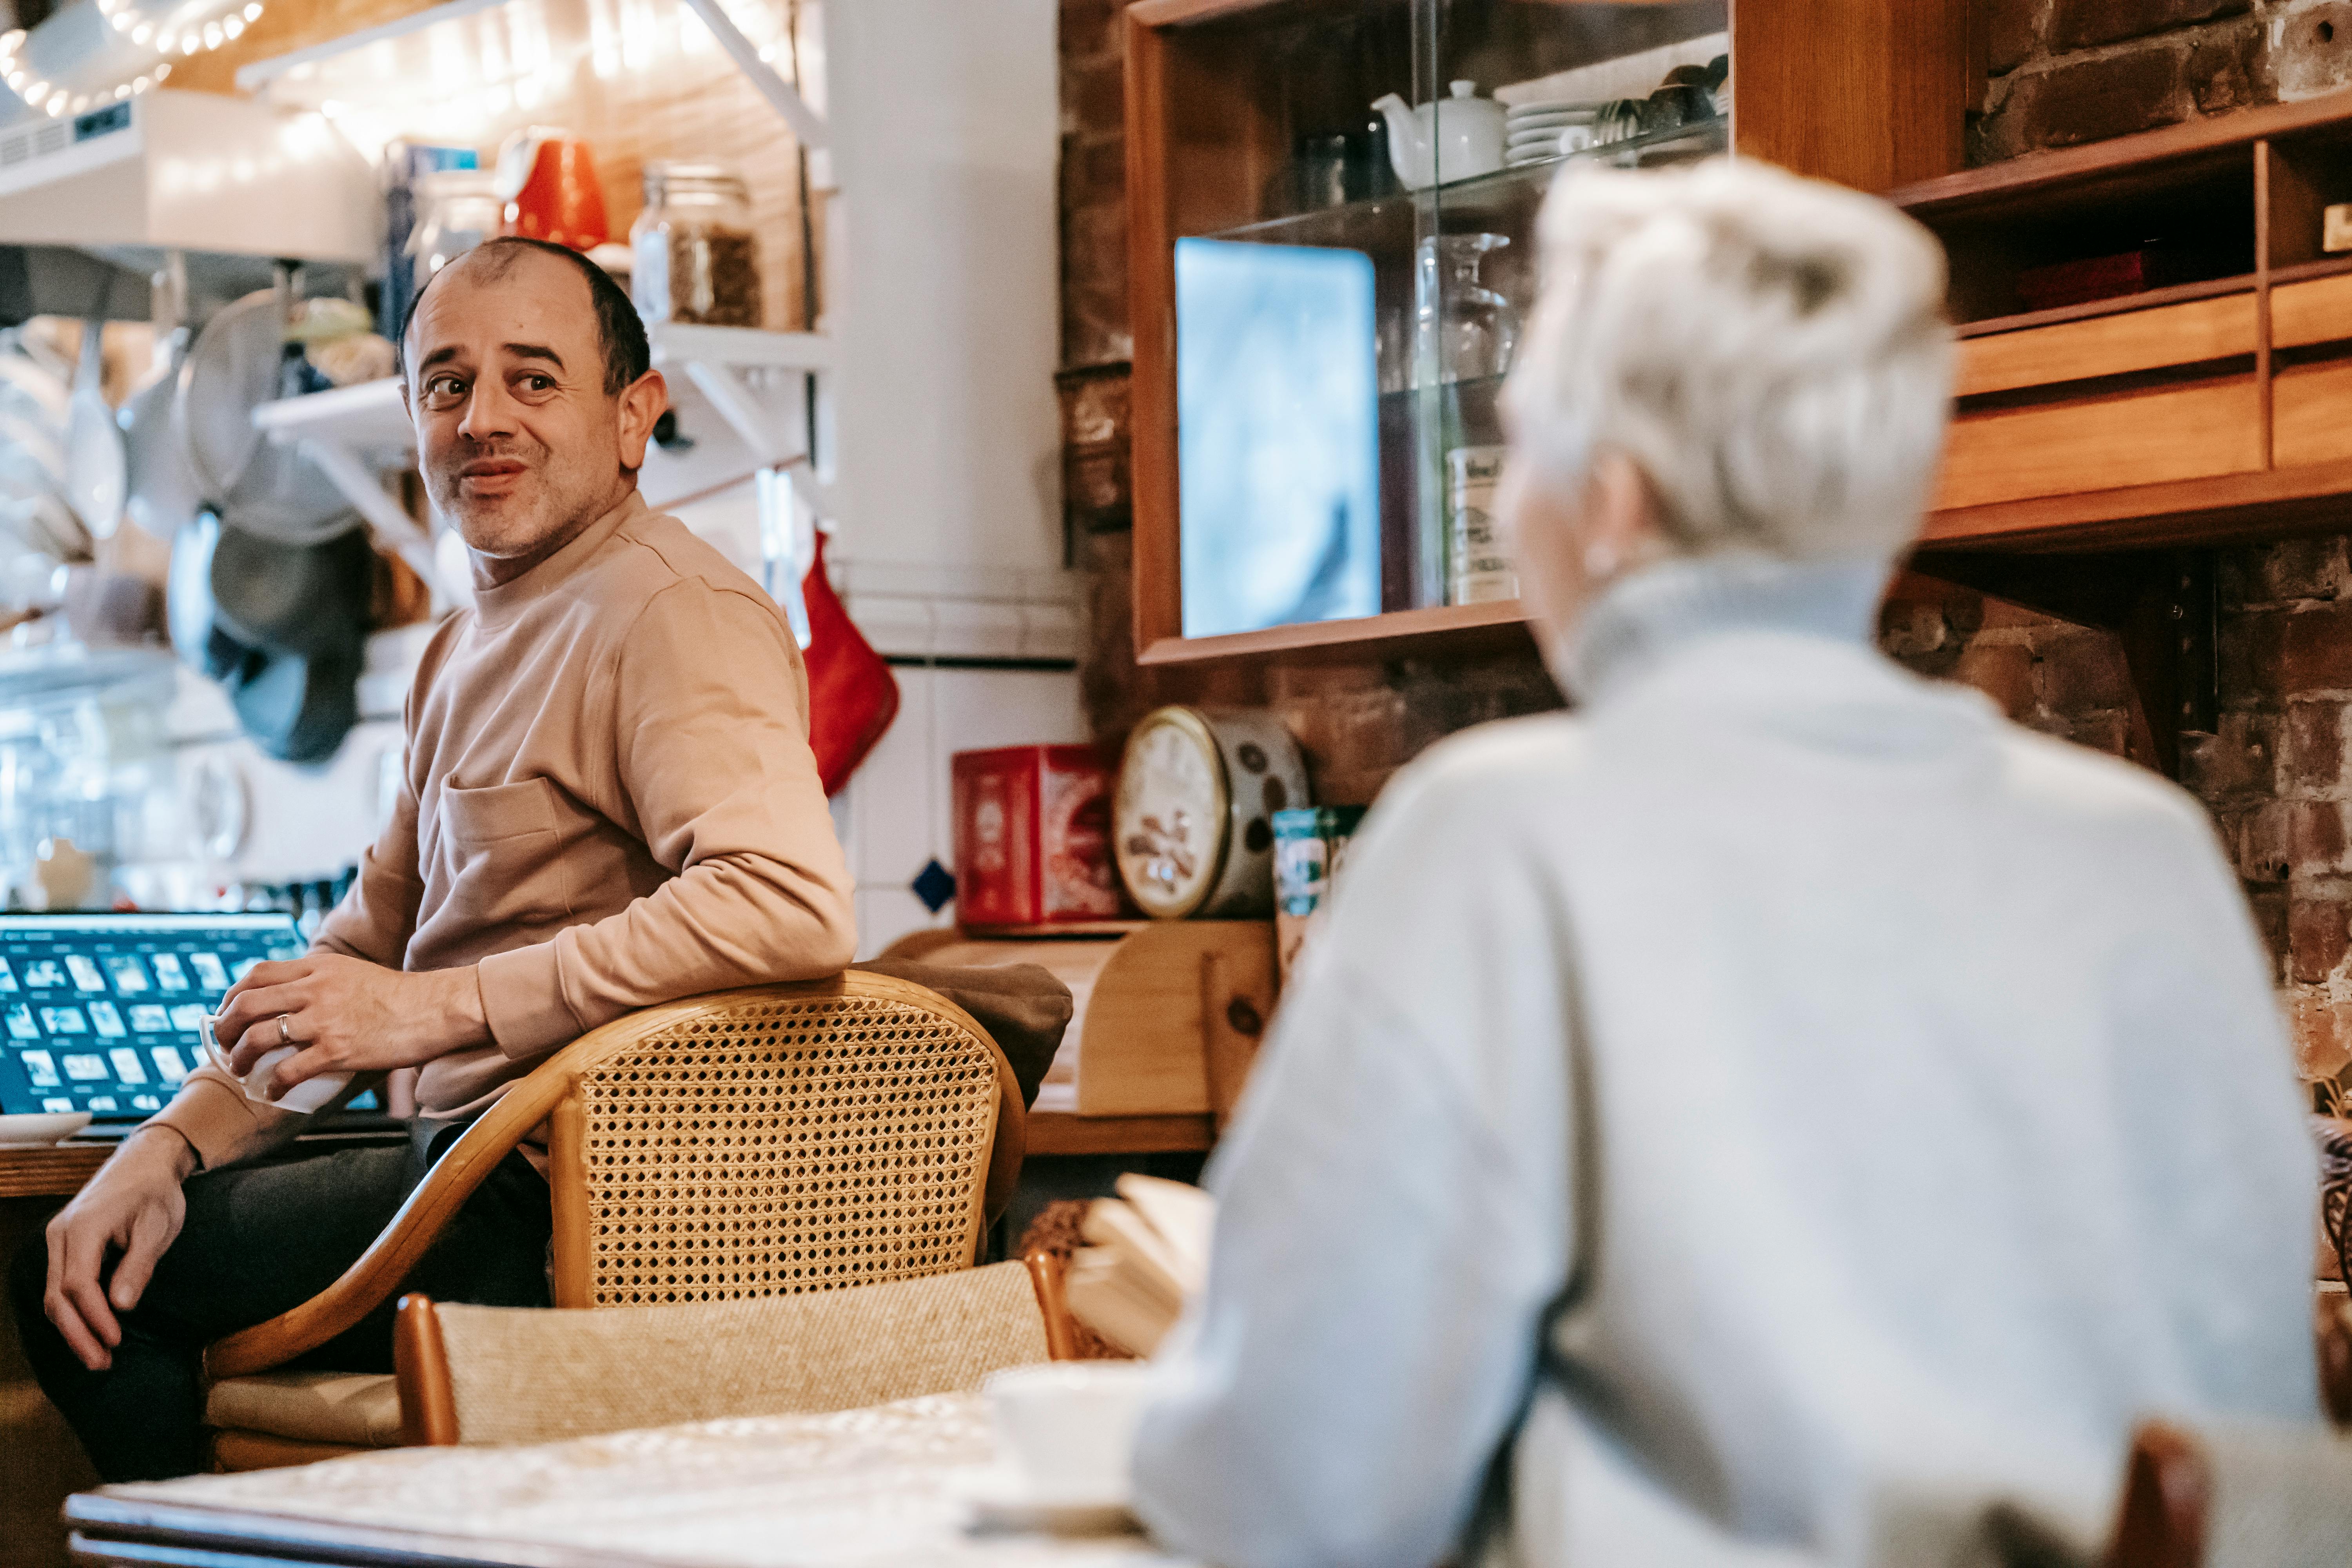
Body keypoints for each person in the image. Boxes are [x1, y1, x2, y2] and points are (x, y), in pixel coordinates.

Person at [1129, 162, 2322, 1568]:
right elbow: (2258, 1449)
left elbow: (1295, 1497)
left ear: (1617, 504)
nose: (1511, 513)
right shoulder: (2145, 853)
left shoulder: (1500, 838)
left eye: (1519, 452)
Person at [11, 237, 857, 1481]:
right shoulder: (462, 647)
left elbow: (788, 907)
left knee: (82, 1298)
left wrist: (430, 1011)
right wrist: (170, 1143)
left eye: (534, 379)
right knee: (89, 1232)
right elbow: (360, 955)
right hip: (471, 1171)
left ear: (634, 418)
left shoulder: (672, 609)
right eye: (448, 386)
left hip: (585, 1200)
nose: (483, 419)